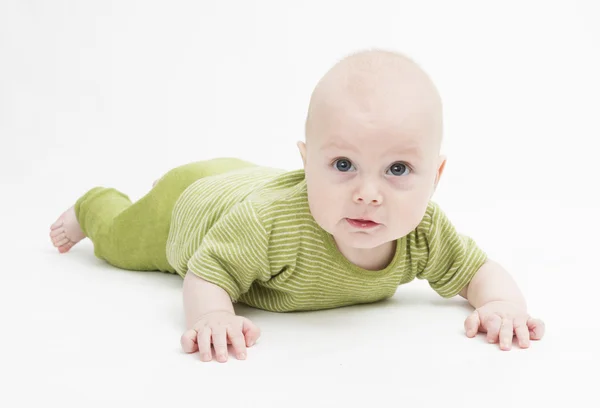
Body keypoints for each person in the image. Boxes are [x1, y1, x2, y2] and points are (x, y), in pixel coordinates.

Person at [49, 49, 545, 363]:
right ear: (307, 164)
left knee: (239, 184)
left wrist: (502, 305)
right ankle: (94, 205)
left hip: (243, 179)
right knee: (121, 241)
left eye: (397, 170)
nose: (368, 193)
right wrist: (213, 316)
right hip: (192, 206)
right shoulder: (268, 226)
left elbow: (477, 269)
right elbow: (207, 272)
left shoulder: (423, 232)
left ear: (434, 179)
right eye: (344, 164)